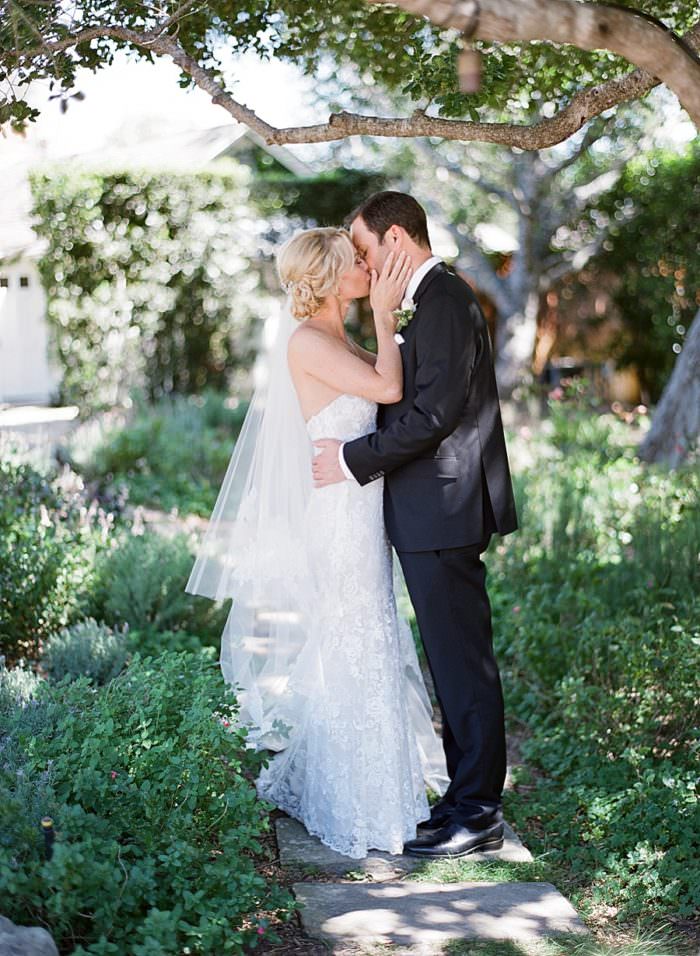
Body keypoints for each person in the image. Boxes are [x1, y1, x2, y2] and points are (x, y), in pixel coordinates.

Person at [185, 226, 450, 859]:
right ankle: (360, 797)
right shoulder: (306, 340)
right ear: (331, 279)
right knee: (356, 633)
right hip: (338, 516)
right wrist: (388, 318)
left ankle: (381, 784)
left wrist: (386, 327)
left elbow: (393, 392)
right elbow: (387, 389)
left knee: (372, 632)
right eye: (356, 263)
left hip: (361, 508)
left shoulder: (338, 337)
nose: (368, 268)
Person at [312, 192, 518, 858]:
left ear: (395, 237)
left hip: (446, 511)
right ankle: (462, 800)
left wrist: (349, 458)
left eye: (366, 249)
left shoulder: (447, 303)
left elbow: (433, 417)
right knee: (451, 662)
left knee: (463, 665)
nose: (364, 264)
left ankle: (479, 813)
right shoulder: (426, 303)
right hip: (431, 512)